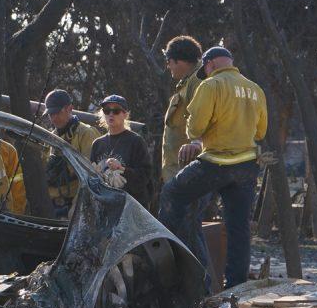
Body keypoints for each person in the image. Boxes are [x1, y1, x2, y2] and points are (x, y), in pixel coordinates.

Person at [158, 45, 267, 291]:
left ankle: (165, 265)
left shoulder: (210, 85)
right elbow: (261, 131)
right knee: (238, 227)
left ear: (209, 65)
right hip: (247, 165)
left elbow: (194, 129)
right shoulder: (255, 89)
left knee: (172, 195)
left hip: (216, 162)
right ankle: (235, 288)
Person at [90, 95, 153, 207]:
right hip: (106, 206)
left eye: (116, 111)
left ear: (125, 114)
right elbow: (91, 180)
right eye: (107, 110)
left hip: (131, 207)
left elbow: (145, 177)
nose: (111, 114)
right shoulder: (97, 144)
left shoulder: (136, 141)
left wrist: (121, 169)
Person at [43, 89, 98, 215]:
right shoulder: (49, 137)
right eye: (51, 114)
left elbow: (89, 176)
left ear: (70, 108)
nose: (54, 117)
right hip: (52, 205)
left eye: (57, 112)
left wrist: (77, 207)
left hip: (75, 205)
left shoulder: (86, 134)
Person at [161, 36, 205, 184]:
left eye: (169, 62)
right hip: (177, 170)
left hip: (188, 172)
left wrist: (196, 143)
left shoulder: (198, 80)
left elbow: (202, 116)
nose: (168, 66)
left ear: (179, 61)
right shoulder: (187, 83)